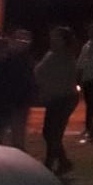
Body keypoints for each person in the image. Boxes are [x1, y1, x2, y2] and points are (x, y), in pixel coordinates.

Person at [34, 26, 79, 175]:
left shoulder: (63, 56)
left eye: (56, 36)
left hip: (63, 99)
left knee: (52, 132)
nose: (52, 39)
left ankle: (50, 163)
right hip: (56, 99)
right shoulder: (53, 54)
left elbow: (46, 74)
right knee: (51, 132)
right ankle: (63, 162)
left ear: (63, 40)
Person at [0, 30, 36, 150]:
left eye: (25, 41)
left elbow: (28, 81)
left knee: (17, 133)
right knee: (4, 132)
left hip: (18, 101)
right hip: (5, 101)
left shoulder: (25, 60)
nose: (22, 43)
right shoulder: (5, 57)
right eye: (19, 40)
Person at [76, 22, 93, 141]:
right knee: (89, 105)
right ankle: (88, 127)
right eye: (91, 31)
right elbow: (81, 63)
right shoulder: (86, 46)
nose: (92, 33)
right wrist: (78, 79)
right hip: (87, 79)